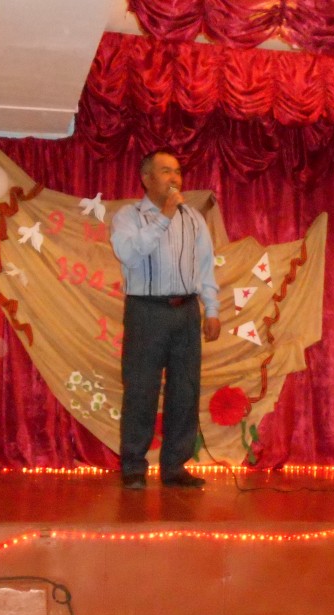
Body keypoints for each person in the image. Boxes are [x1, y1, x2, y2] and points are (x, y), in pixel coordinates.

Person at [110, 149, 221, 490]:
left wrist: (212, 309)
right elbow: (128, 254)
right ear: (147, 179)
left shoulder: (194, 219)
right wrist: (164, 217)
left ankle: (174, 466)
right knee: (141, 390)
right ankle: (133, 467)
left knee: (184, 391)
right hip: (146, 311)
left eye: (177, 171)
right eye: (165, 171)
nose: (174, 178)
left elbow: (205, 267)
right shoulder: (129, 216)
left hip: (186, 311)